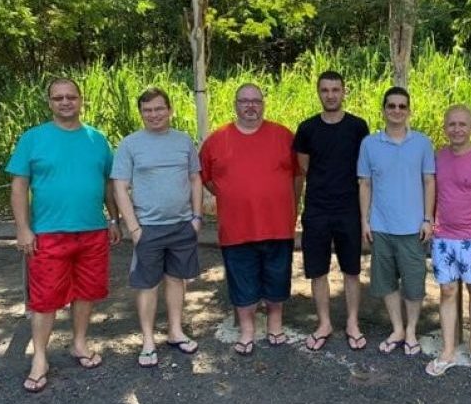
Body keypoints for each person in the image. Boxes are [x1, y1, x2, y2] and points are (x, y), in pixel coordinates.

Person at [7, 77, 121, 392]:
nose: (65, 102)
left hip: (92, 232)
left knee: (86, 292)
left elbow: (109, 184)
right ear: (50, 103)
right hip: (48, 233)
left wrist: (114, 219)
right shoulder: (33, 138)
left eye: (71, 96)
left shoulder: (97, 139)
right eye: (58, 98)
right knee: (45, 300)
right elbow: (19, 186)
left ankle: (79, 343)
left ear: (80, 100)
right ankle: (40, 358)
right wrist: (22, 228)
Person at [199, 83, 302, 356]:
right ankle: (247, 330)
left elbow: (297, 176)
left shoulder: (283, 136)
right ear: (236, 105)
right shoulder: (217, 140)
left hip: (277, 224)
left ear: (263, 104)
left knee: (277, 276)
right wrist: (232, 195)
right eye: (244, 101)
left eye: (256, 101)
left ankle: (275, 324)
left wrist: (291, 207)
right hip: (237, 227)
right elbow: (206, 178)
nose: (250, 106)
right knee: (242, 280)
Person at [111, 88, 203, 367]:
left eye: (159, 108)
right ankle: (148, 341)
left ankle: (175, 331)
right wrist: (134, 228)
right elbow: (119, 187)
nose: (154, 115)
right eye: (147, 110)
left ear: (170, 109)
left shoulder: (183, 141)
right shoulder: (130, 144)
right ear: (141, 113)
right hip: (148, 228)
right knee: (147, 284)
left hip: (182, 225)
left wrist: (197, 218)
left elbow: (195, 179)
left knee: (176, 279)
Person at [293, 71, 370, 351]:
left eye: (335, 90)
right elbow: (304, 167)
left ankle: (352, 322)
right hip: (317, 209)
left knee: (351, 269)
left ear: (343, 92)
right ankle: (324, 323)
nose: (330, 95)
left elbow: (364, 170)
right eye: (325, 90)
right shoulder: (307, 128)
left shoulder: (358, 127)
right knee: (318, 270)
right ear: (318, 93)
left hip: (349, 209)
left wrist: (365, 214)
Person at [357, 86, 435, 356]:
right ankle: (398, 329)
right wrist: (365, 221)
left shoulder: (422, 143)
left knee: (414, 285)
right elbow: (365, 184)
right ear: (384, 110)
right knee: (386, 283)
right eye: (391, 106)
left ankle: (411, 330)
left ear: (409, 111)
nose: (397, 111)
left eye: (402, 106)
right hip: (381, 227)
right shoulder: (369, 144)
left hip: (413, 229)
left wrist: (428, 219)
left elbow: (429, 181)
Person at [425, 105, 471, 376]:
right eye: (452, 124)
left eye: (462, 124)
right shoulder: (437, 157)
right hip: (443, 238)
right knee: (447, 292)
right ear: (445, 127)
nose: (457, 129)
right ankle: (448, 349)